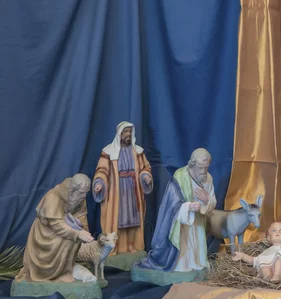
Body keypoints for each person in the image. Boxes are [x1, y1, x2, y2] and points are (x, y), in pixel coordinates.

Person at [137, 148, 216, 272]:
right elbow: (171, 204)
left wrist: (207, 200)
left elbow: (212, 202)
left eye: (206, 167)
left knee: (198, 251)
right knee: (184, 250)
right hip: (181, 226)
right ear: (192, 164)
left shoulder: (208, 178)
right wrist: (188, 207)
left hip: (198, 223)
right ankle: (180, 265)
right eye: (200, 168)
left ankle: (197, 262)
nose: (203, 171)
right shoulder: (180, 176)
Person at [16, 174, 95, 282]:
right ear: (73, 190)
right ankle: (52, 273)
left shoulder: (80, 197)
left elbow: (81, 216)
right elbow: (57, 225)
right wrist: (77, 234)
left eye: (86, 193)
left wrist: (84, 231)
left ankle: (64, 269)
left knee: (74, 239)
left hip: (65, 229)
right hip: (46, 234)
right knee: (67, 240)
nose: (84, 196)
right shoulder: (53, 196)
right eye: (82, 193)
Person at [93, 121, 153, 254]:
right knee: (117, 219)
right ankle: (116, 246)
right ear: (119, 134)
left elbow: (145, 168)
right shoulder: (108, 151)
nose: (128, 134)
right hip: (116, 193)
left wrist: (145, 176)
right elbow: (102, 170)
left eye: (130, 132)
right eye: (126, 132)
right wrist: (99, 183)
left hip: (133, 191)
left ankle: (132, 245)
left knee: (133, 220)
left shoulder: (138, 151)